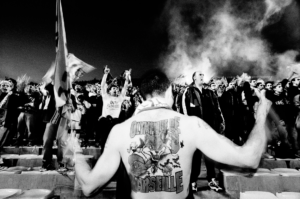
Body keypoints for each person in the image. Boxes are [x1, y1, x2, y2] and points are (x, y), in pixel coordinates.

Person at [67, 69, 271, 199]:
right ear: (170, 92)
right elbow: (249, 159)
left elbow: (89, 186)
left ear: (141, 95)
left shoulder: (119, 132)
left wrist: (76, 153)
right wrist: (261, 115)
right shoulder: (192, 125)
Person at [182, 71, 225, 192]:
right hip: (195, 132)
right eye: (199, 74)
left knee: (210, 156)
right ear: (194, 77)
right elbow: (184, 111)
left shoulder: (210, 93)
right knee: (195, 157)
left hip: (209, 130)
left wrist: (221, 123)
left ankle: (211, 180)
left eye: (202, 75)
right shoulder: (188, 92)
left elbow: (217, 109)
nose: (202, 76)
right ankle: (193, 181)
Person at [95, 66, 130, 150]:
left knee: (114, 143)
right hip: (105, 122)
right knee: (104, 142)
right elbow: (102, 86)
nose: (115, 90)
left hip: (115, 122)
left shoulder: (120, 98)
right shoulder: (106, 97)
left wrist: (127, 77)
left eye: (117, 89)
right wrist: (105, 74)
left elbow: (125, 88)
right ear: (109, 90)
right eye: (113, 88)